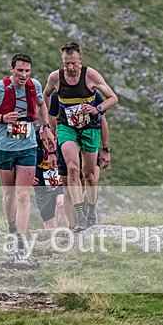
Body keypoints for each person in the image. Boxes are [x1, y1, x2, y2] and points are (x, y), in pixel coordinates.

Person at [0, 53, 55, 263]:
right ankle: (12, 228)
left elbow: (41, 104)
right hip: (4, 148)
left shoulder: (35, 85)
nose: (23, 75)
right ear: (11, 69)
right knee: (9, 194)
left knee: (23, 195)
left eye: (27, 71)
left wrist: (45, 126)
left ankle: (20, 241)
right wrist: (2, 118)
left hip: (28, 147)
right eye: (20, 70)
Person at [43, 42, 117, 231]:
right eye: (66, 63)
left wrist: (96, 109)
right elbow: (45, 96)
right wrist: (47, 122)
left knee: (90, 176)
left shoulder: (90, 75)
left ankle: (91, 210)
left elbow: (113, 98)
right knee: (73, 167)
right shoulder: (55, 77)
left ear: (80, 60)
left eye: (73, 63)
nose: (70, 68)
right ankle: (80, 215)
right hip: (67, 127)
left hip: (89, 127)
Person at [49, 90, 112, 228]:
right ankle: (75, 225)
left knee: (90, 179)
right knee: (67, 188)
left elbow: (104, 123)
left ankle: (90, 213)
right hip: (67, 142)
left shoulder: (94, 95)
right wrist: (51, 152)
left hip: (88, 138)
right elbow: (52, 125)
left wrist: (106, 149)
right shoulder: (56, 96)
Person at [32, 133, 66, 229]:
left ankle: (65, 235)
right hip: (42, 184)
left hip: (60, 181)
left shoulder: (63, 134)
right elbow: (24, 158)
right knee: (50, 224)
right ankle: (53, 240)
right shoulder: (34, 139)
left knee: (62, 204)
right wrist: (28, 176)